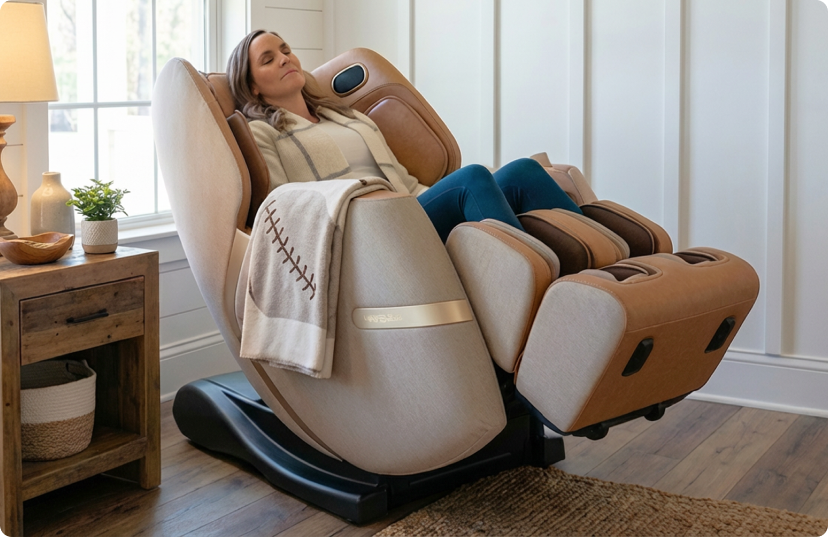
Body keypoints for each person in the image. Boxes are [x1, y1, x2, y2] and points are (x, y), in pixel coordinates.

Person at [227, 30, 582, 242]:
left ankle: (606, 264)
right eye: (269, 59)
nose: (285, 59)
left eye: (286, 50)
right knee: (471, 178)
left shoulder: (342, 115)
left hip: (413, 203)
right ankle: (530, 285)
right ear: (253, 86)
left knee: (522, 171)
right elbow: (279, 205)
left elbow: (397, 175)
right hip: (374, 228)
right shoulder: (264, 132)